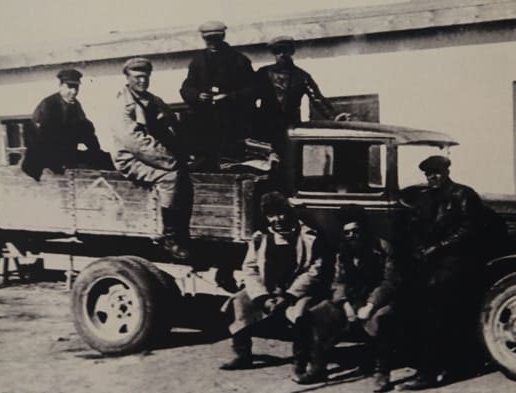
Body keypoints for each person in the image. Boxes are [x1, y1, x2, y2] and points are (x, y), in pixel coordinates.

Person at [292, 205, 405, 392]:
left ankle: (381, 372)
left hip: (378, 301)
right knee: (317, 314)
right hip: (351, 301)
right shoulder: (342, 252)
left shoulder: (383, 248)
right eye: (348, 232)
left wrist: (370, 305)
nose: (353, 236)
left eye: (356, 230)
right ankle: (318, 367)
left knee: (383, 318)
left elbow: (390, 282)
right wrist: (345, 305)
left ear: (364, 230)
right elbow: (338, 282)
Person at [396, 155, 485, 391]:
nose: (432, 178)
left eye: (436, 173)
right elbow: (414, 227)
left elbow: (470, 229)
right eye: (428, 174)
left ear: (446, 172)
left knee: (436, 313)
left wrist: (440, 247)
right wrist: (419, 250)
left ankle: (428, 373)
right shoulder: (423, 198)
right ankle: (434, 366)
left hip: (456, 261)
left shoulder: (463, 195)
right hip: (429, 262)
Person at [219, 192, 330, 373]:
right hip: (266, 290)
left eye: (280, 213)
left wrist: (288, 296)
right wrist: (262, 297)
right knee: (239, 301)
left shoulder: (309, 237)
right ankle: (242, 354)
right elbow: (250, 269)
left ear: (289, 213)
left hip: (295, 292)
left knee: (302, 312)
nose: (276, 219)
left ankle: (300, 359)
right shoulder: (260, 238)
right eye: (271, 215)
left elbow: (314, 271)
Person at [111, 57, 193, 260]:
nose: (142, 81)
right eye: (137, 77)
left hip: (154, 155)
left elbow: (173, 125)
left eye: (145, 77)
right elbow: (136, 143)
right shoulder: (123, 105)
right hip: (130, 159)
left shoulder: (153, 100)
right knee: (170, 178)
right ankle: (170, 237)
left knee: (186, 175)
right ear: (127, 78)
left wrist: (185, 151)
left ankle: (183, 233)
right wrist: (170, 161)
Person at [180, 21, 256, 170]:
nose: (212, 44)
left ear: (223, 37)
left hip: (233, 122)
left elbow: (253, 90)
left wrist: (229, 97)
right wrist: (197, 95)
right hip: (205, 122)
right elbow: (186, 88)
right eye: (209, 40)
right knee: (205, 162)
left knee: (231, 162)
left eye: (216, 39)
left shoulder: (239, 60)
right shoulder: (198, 61)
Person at [254, 36, 348, 157]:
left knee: (291, 162)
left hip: (291, 128)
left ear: (292, 51)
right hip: (266, 128)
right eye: (277, 50)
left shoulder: (302, 76)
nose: (282, 54)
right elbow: (250, 96)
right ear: (273, 53)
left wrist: (334, 116)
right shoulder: (263, 73)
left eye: (285, 49)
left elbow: (317, 98)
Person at [21, 69, 106, 181]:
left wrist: (96, 152)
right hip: (44, 161)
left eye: (76, 88)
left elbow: (86, 131)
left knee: (104, 160)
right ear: (61, 86)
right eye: (70, 87)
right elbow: (36, 137)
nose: (74, 91)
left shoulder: (75, 105)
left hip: (66, 156)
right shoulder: (49, 105)